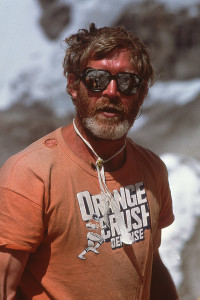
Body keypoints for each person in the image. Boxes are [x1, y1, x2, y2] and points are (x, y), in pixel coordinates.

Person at [0, 23, 179, 299]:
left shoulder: (152, 170)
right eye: (96, 79)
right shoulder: (29, 175)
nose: (110, 92)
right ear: (73, 86)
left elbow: (150, 264)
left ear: (141, 94)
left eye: (127, 82)